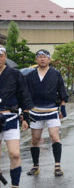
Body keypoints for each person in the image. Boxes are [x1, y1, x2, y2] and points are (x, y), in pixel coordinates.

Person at [26, 49, 68, 177]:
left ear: (49, 59)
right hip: (36, 110)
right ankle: (35, 166)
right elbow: (26, 93)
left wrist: (63, 106)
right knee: (35, 140)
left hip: (52, 109)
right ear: (36, 60)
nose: (42, 59)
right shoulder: (30, 75)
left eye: (44, 57)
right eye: (39, 57)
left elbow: (62, 91)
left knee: (55, 137)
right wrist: (25, 111)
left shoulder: (56, 74)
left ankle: (57, 166)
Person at [0, 46, 33, 187]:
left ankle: (15, 185)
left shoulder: (15, 74)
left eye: (0, 56)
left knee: (15, 154)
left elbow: (23, 94)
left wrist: (25, 116)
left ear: (5, 56)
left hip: (10, 117)